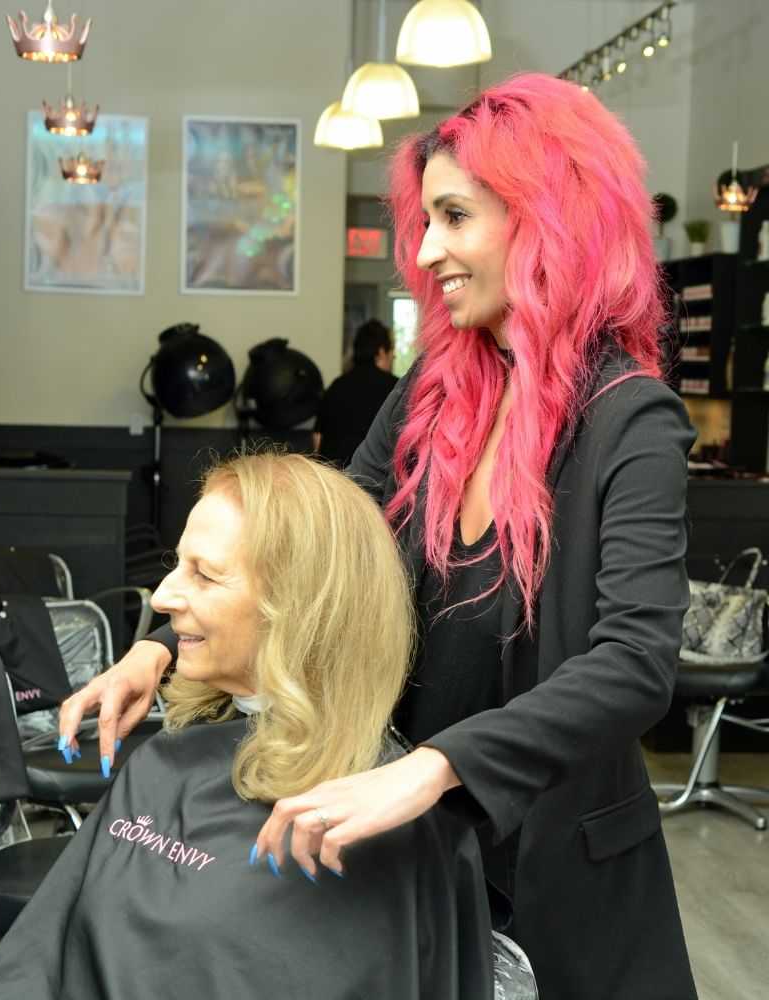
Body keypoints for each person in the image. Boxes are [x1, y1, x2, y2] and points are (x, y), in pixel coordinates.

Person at [59, 73, 698, 1000]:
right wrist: (162, 651)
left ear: (547, 217)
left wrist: (439, 769)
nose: (427, 248)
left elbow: (636, 662)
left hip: (555, 884)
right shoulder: (430, 396)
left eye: (455, 216)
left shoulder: (630, 422)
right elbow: (310, 548)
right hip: (411, 851)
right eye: (424, 219)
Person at [0, 454, 493, 999]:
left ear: (298, 605)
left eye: (204, 574)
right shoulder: (162, 764)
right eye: (177, 566)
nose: (166, 597)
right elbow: (38, 958)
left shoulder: (392, 820)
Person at [313, 318, 398, 467]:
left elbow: (317, 438)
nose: (394, 356)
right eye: (391, 351)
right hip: (374, 481)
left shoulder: (337, 386)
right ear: (381, 351)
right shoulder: (395, 388)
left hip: (334, 477)